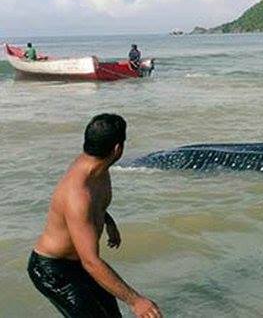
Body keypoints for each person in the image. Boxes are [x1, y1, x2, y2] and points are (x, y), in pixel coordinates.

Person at [27, 114, 162, 318]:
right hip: (53, 270)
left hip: (78, 262)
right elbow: (91, 261)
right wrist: (136, 301)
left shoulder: (97, 168)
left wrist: (107, 220)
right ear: (118, 148)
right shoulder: (78, 193)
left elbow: (91, 207)